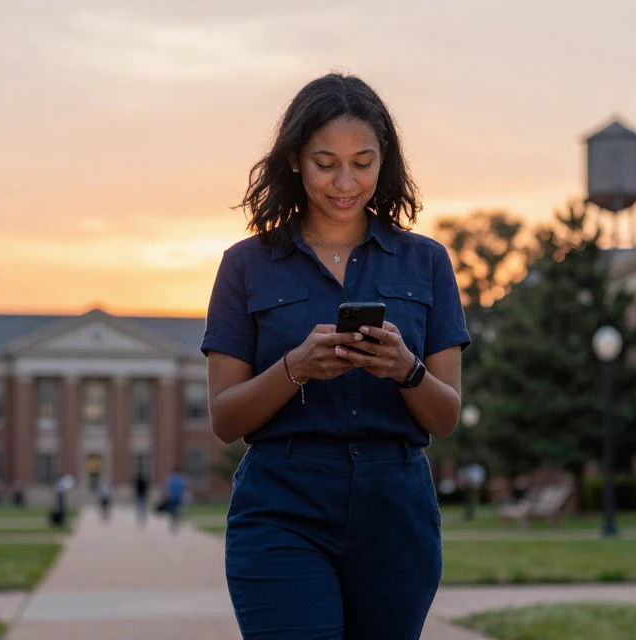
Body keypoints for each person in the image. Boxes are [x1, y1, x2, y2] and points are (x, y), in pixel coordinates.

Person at [201, 73, 470, 639]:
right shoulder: (246, 265)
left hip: (395, 511)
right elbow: (226, 419)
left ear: (385, 161)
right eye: (326, 163)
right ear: (296, 159)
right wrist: (295, 368)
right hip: (283, 506)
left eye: (363, 162)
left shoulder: (426, 263)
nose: (345, 181)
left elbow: (445, 417)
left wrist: (405, 369)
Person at [165, 467, 188, 534]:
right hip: (179, 498)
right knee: (178, 511)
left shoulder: (170, 479)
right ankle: (177, 523)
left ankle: (173, 524)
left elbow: (167, 489)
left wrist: (167, 496)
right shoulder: (182, 479)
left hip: (172, 498)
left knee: (172, 511)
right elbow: (185, 489)